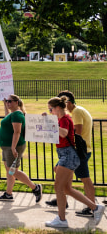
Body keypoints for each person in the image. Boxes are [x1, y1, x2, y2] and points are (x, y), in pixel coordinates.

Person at [44, 96, 104, 228]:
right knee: (67, 188)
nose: (50, 112)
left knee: (58, 187)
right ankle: (95, 207)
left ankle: (61, 219)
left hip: (68, 155)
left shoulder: (65, 119)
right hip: (65, 155)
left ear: (57, 108)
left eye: (50, 109)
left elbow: (64, 133)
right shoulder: (60, 119)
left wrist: (49, 122)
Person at [0, 94, 42, 202]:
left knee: (13, 171)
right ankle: (8, 193)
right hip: (6, 146)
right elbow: (7, 116)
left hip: (13, 146)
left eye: (10, 101)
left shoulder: (17, 115)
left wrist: (13, 147)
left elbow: (17, 132)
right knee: (9, 170)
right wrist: (4, 105)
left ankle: (35, 188)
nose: (8, 103)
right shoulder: (12, 114)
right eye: (7, 101)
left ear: (17, 102)